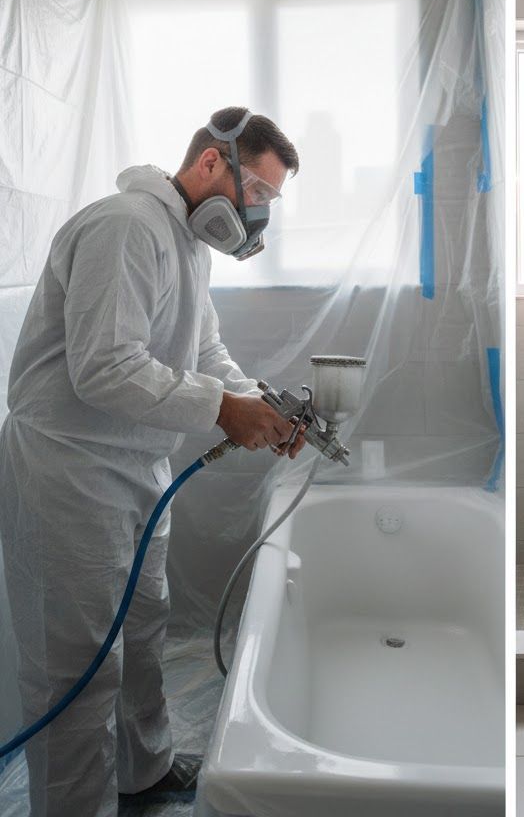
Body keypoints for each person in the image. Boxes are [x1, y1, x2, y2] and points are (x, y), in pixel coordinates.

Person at [0, 107, 304, 816]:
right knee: (77, 666)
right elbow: (104, 369)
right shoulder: (125, 226)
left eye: (267, 203)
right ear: (210, 165)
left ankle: (145, 768)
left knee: (142, 628)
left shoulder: (185, 246)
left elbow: (202, 354)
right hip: (71, 474)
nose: (258, 216)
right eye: (257, 194)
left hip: (135, 466)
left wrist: (260, 401)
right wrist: (226, 412)